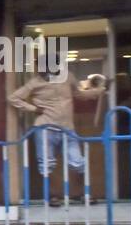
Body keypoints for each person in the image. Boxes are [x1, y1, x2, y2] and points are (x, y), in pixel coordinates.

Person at [8, 67, 107, 203]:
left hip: (67, 128)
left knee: (78, 162)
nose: (42, 72)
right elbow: (13, 98)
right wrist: (34, 109)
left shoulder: (68, 77)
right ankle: (51, 196)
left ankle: (83, 194)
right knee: (47, 164)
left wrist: (98, 91)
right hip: (45, 128)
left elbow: (79, 94)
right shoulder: (35, 82)